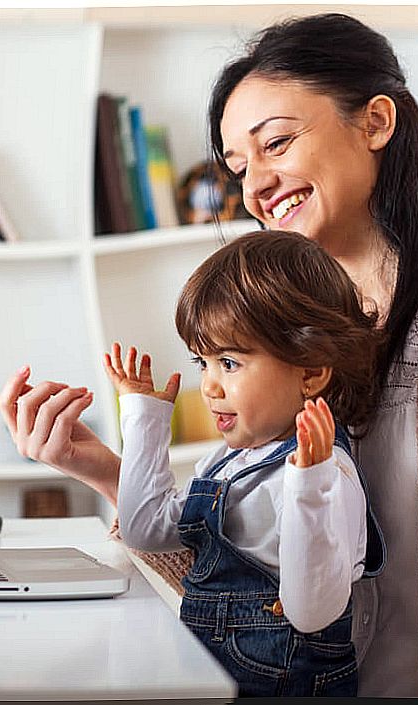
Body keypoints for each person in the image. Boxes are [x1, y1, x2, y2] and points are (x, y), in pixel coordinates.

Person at [0, 12, 418, 699]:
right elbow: (250, 592)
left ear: (376, 122)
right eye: (237, 168)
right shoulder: (282, 335)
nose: (255, 185)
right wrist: (105, 470)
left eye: (276, 142)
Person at [106, 230, 384, 697]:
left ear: (311, 371)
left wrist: (309, 483)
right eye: (202, 361)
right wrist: (144, 418)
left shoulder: (330, 474)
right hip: (211, 677)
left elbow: (312, 610)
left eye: (229, 363)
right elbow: (145, 529)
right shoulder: (225, 464)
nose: (210, 386)